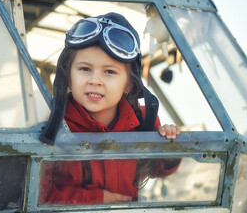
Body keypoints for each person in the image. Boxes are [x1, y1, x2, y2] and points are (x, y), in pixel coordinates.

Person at [38, 12, 181, 205]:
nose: (95, 81)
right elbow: (37, 193)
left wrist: (169, 146)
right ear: (68, 74)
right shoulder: (52, 123)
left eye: (110, 72)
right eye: (85, 69)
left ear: (129, 84)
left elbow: (156, 168)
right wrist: (96, 199)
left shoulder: (144, 120)